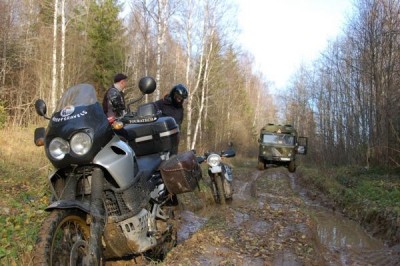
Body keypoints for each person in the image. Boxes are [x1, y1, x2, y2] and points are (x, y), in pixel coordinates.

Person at [154, 84, 188, 154]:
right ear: (173, 94)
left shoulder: (180, 108)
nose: (180, 100)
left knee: (173, 161)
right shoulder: (161, 104)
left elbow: (179, 122)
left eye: (182, 98)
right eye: (178, 97)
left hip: (174, 140)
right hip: (162, 140)